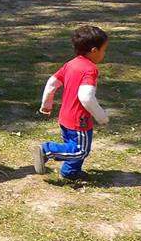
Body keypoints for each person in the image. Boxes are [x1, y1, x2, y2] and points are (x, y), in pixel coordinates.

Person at [34, 25, 110, 181]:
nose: (105, 53)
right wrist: (101, 116)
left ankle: (69, 174)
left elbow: (52, 82)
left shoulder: (71, 64)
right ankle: (46, 150)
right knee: (80, 150)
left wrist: (46, 104)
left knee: (71, 145)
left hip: (65, 115)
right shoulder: (90, 69)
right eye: (104, 50)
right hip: (79, 119)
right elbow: (86, 97)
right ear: (94, 50)